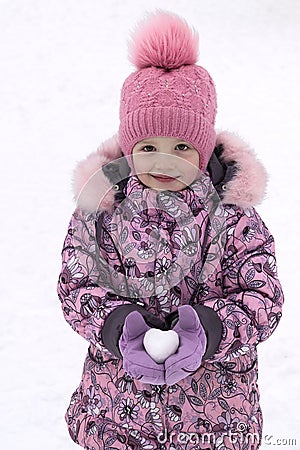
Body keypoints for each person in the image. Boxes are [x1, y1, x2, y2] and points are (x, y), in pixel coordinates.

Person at [57, 11, 284, 450]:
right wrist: (119, 326)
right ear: (128, 147)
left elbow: (264, 297)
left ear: (202, 150)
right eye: (147, 147)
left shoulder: (233, 218)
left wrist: (209, 329)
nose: (164, 163)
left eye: (182, 147)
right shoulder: (102, 214)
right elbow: (77, 286)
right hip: (118, 416)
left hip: (214, 417)